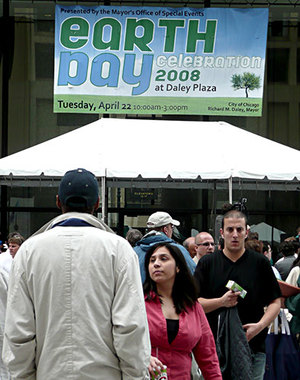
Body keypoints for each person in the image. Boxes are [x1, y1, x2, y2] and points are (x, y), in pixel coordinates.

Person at [3, 168, 151, 380]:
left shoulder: (29, 251)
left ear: (58, 202)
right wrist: (135, 376)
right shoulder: (119, 250)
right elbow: (130, 327)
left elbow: (19, 332)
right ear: (97, 204)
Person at [194, 210, 281, 380]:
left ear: (246, 232)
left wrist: (260, 326)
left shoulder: (260, 263)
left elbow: (275, 302)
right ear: (222, 232)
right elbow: (194, 304)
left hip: (254, 347)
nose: (235, 235)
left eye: (239, 230)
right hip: (213, 348)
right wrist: (220, 302)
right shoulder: (208, 263)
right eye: (230, 230)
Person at [144, 242, 222, 380]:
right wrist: (143, 357)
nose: (156, 264)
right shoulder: (139, 303)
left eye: (163, 259)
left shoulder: (193, 306)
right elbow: (123, 342)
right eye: (152, 260)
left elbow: (208, 356)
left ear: (178, 267)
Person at [134, 211, 196, 283]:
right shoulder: (178, 250)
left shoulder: (134, 251)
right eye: (172, 227)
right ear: (165, 230)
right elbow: (193, 276)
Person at [0, 232, 24, 380]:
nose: (10, 249)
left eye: (13, 246)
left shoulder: (20, 262)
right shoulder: (4, 264)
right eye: (9, 246)